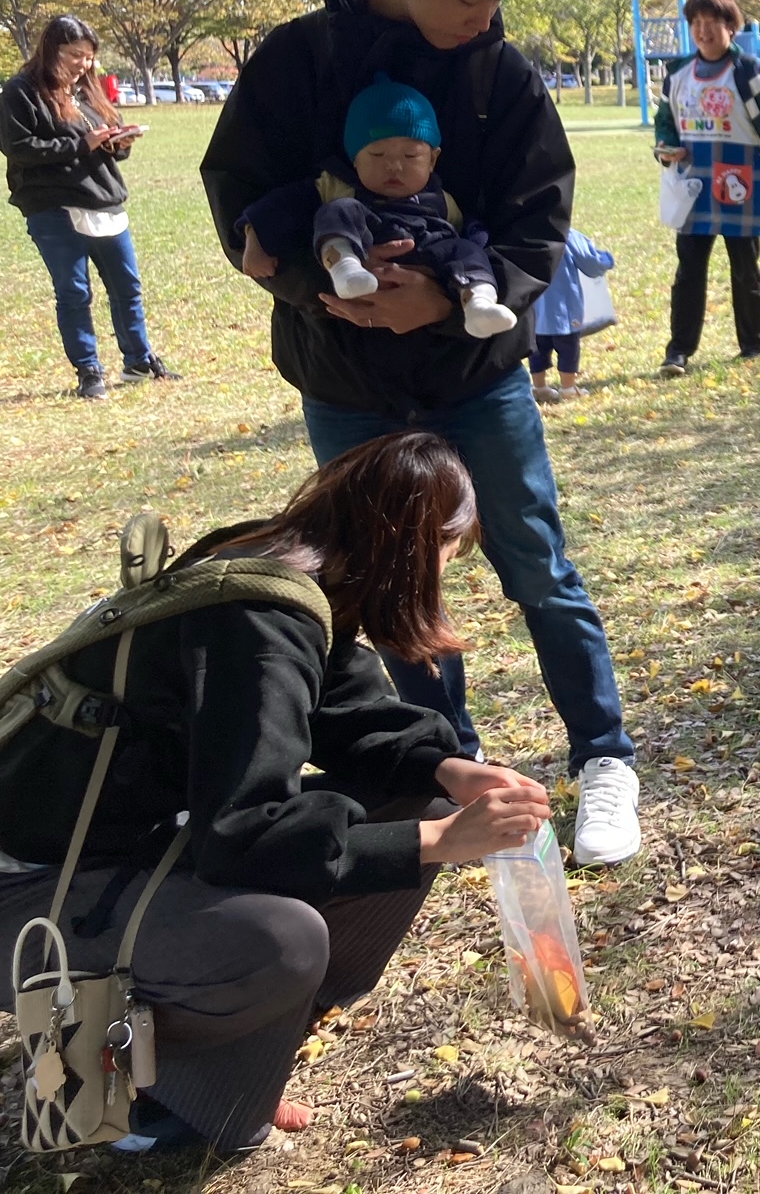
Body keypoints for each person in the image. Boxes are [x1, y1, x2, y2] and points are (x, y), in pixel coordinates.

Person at [200, 0, 642, 865]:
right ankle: (445, 760)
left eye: (498, 0)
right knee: (385, 581)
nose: (487, 17)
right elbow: (240, 194)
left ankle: (604, 756)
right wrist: (322, 287)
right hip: (346, 379)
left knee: (537, 562)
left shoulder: (505, 77)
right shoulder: (298, 60)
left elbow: (541, 219)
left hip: (477, 375)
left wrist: (448, 303)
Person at [0, 432, 553, 1155]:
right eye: (454, 550)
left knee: (415, 802)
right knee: (282, 942)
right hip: (33, 886)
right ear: (415, 547)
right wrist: (442, 843)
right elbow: (242, 834)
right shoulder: (259, 620)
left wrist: (445, 771)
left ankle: (245, 1038)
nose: (450, 570)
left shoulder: (276, 566)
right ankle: (137, 1095)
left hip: (120, 849)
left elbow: (339, 704)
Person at [235, 74, 517, 337]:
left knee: (468, 251)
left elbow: (471, 230)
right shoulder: (336, 186)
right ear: (355, 158)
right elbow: (282, 207)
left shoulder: (443, 200)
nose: (394, 165)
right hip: (362, 242)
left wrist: (474, 249)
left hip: (429, 252)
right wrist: (255, 237)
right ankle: (345, 266)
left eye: (410, 155)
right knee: (338, 210)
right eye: (377, 153)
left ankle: (478, 302)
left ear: (432, 160)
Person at [3, 15, 178, 400]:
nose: (84, 64)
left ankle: (138, 359)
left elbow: (98, 141)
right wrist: (82, 145)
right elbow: (19, 149)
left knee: (127, 286)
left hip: (104, 202)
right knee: (74, 292)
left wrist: (118, 141)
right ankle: (89, 370)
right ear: (51, 49)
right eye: (75, 55)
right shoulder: (21, 91)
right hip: (54, 207)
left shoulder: (85, 92)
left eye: (88, 57)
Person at [650, 0, 760, 375]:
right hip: (694, 184)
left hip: (742, 182)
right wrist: (665, 147)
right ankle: (679, 350)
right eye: (696, 23)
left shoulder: (754, 73)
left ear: (731, 26)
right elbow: (664, 121)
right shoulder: (678, 73)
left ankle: (754, 344)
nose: (703, 31)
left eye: (712, 22)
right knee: (689, 269)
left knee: (745, 265)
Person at [529, 227, 615, 403]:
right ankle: (568, 388)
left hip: (534, 308)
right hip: (564, 308)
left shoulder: (526, 231)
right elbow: (591, 263)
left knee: (537, 348)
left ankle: (539, 387)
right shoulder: (568, 234)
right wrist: (606, 259)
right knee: (568, 349)